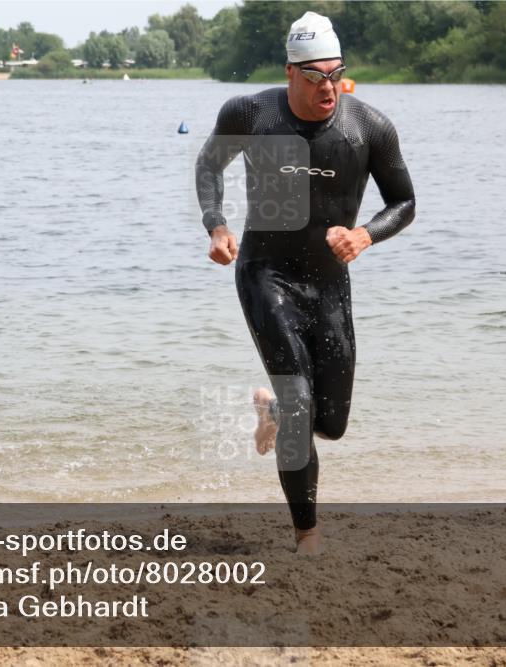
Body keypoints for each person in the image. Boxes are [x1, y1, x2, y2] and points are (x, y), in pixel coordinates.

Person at [195, 12, 416, 553]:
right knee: (300, 405)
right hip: (266, 273)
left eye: (337, 74)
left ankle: (272, 409)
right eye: (317, 76)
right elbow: (208, 165)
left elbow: (404, 202)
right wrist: (218, 225)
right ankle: (307, 535)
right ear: (291, 73)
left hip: (329, 284)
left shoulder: (369, 127)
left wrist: (365, 236)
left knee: (332, 423)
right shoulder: (250, 113)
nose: (330, 88)